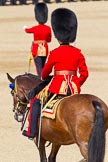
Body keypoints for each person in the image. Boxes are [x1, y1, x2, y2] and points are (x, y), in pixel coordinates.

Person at [22, 8, 89, 139]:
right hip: (74, 88)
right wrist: (76, 82)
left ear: (58, 36)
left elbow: (44, 73)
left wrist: (48, 78)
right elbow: (85, 74)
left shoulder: (55, 53)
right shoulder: (78, 52)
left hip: (57, 87)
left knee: (36, 101)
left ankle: (32, 132)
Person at [23, 2, 52, 78]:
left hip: (36, 49)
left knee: (39, 68)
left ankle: (41, 80)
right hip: (45, 49)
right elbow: (49, 40)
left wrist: (24, 27)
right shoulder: (48, 28)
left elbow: (27, 30)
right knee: (43, 66)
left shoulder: (35, 28)